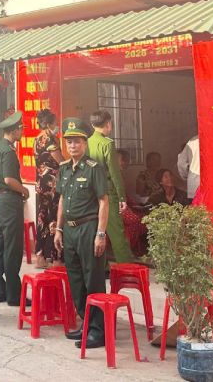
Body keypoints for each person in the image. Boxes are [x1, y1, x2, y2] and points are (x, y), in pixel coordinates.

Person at [55, 118, 109, 349]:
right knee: (76, 279)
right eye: (69, 142)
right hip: (69, 230)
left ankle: (99, 330)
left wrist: (100, 233)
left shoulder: (94, 168)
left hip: (88, 228)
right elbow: (62, 200)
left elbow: (103, 202)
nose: (72, 146)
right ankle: (85, 323)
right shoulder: (64, 169)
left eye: (76, 141)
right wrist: (58, 229)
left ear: (85, 144)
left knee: (93, 278)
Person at [0, 111, 28, 307]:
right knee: (12, 247)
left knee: (0, 245)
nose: (22, 132)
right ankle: (14, 294)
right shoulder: (9, 152)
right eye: (20, 129)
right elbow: (9, 180)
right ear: (13, 130)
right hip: (10, 200)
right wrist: (25, 191)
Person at [88, 110, 135, 264]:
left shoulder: (86, 142)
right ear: (108, 124)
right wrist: (122, 196)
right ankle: (126, 268)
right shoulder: (107, 144)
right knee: (116, 233)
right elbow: (115, 173)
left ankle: (101, 267)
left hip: (89, 191)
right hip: (107, 191)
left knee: (95, 230)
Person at [33, 109, 65, 269]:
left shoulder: (37, 138)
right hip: (52, 184)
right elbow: (60, 161)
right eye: (56, 123)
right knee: (54, 218)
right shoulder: (50, 139)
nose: (57, 126)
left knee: (41, 218)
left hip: (40, 183)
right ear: (50, 123)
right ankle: (56, 258)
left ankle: (40, 257)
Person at [177, 135, 201, 203]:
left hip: (194, 183)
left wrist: (188, 176)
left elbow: (181, 164)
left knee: (196, 211)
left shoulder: (192, 141)